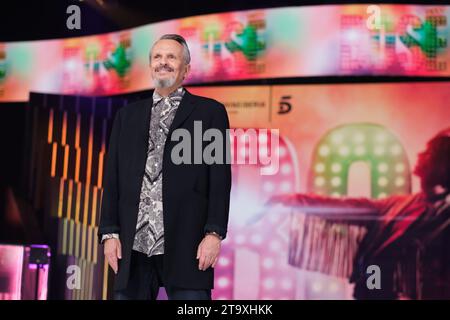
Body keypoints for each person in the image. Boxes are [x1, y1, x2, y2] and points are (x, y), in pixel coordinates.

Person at [98, 34, 231, 300]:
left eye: (172, 57)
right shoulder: (127, 116)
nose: (163, 62)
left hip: (187, 243)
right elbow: (112, 178)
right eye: (157, 57)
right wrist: (109, 232)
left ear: (186, 69)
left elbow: (219, 179)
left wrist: (214, 233)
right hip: (133, 247)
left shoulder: (209, 113)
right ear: (150, 67)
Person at [268, 128, 450, 299]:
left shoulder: (444, 217)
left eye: (429, 153)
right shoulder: (399, 204)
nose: (420, 155)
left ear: (443, 165)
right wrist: (293, 199)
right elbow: (346, 207)